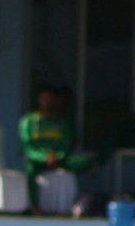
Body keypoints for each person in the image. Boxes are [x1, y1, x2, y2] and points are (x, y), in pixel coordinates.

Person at [18, 85, 91, 214]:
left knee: (85, 162)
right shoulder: (28, 121)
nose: (48, 101)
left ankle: (72, 206)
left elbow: (66, 146)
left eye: (50, 98)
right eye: (44, 98)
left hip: (58, 160)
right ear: (38, 99)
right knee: (30, 169)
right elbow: (27, 147)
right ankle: (35, 207)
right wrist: (43, 157)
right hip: (38, 161)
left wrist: (57, 157)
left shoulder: (61, 123)